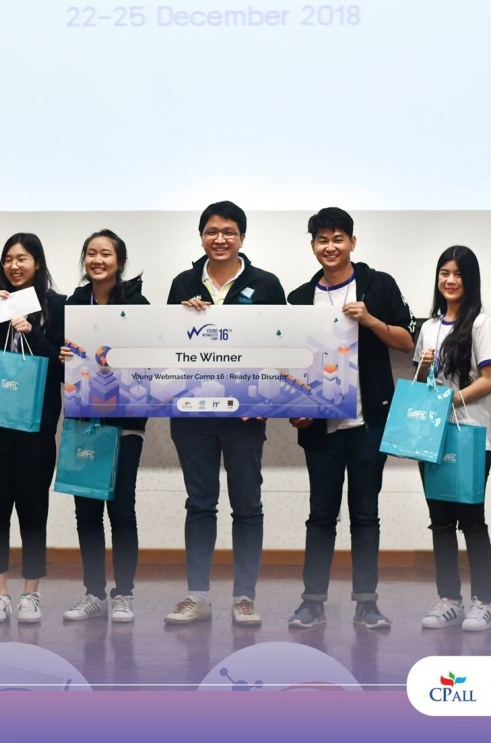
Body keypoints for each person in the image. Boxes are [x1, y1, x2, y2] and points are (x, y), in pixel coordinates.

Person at [286, 207, 414, 630]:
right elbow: (291, 366)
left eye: (338, 238)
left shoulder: (378, 284)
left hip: (368, 422)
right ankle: (312, 602)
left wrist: (370, 319)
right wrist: (296, 410)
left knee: (365, 514)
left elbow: (406, 342)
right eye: (322, 240)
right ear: (312, 246)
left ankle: (367, 603)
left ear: (352, 242)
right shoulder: (299, 298)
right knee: (320, 516)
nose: (330, 246)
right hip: (320, 428)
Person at [164, 201, 286, 625]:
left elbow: (281, 346)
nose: (220, 239)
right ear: (201, 237)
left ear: (242, 238)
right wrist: (182, 319)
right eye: (212, 231)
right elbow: (167, 346)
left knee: (247, 505)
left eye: (229, 232)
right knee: (199, 504)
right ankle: (197, 596)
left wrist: (266, 402)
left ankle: (244, 597)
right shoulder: (182, 283)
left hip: (243, 416)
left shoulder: (266, 284)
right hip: (191, 414)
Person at [0, 234, 66, 623]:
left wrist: (32, 332)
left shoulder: (56, 305)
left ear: (37, 263)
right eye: (8, 259)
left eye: (22, 258)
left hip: (36, 428)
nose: (14, 265)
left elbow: (61, 367)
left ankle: (30, 593)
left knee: (33, 509)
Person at [60, 229, 148, 623]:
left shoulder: (139, 306)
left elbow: (149, 361)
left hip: (125, 424)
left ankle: (124, 594)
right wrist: (61, 356)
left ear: (120, 262)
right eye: (91, 253)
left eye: (106, 254)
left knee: (122, 510)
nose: (97, 260)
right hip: (83, 421)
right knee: (86, 512)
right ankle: (93, 593)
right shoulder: (74, 304)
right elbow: (58, 359)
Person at [414, 245, 491, 632]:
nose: (450, 281)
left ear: (471, 280)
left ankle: (483, 603)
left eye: (458, 274)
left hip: (470, 435)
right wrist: (423, 367)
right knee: (440, 522)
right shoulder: (429, 326)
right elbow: (421, 385)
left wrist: (452, 399)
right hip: (432, 436)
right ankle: (449, 599)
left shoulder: (481, 323)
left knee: (472, 521)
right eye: (444, 273)